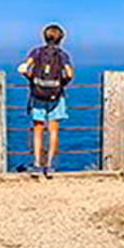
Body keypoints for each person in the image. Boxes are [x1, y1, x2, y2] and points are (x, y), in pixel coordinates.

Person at [17, 23, 74, 177]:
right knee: (54, 130)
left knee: (38, 130)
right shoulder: (62, 55)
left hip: (38, 94)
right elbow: (69, 74)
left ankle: (36, 164)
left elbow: (24, 68)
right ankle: (49, 166)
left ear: (44, 37)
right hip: (56, 95)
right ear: (61, 39)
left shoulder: (36, 52)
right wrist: (62, 83)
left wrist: (30, 77)